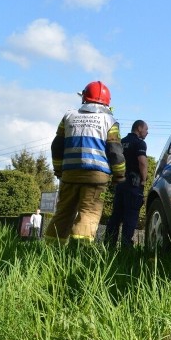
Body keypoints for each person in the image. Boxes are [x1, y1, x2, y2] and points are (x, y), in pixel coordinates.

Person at [45, 81, 126, 244]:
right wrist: (119, 175)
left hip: (69, 174)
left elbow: (57, 146)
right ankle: (79, 252)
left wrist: (58, 169)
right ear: (107, 101)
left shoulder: (68, 117)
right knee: (88, 212)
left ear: (84, 97)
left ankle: (51, 250)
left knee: (63, 212)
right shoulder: (110, 121)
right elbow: (115, 151)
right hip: (96, 178)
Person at [105, 119, 149, 249]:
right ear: (139, 128)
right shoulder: (140, 143)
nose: (147, 132)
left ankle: (109, 245)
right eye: (146, 129)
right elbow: (142, 162)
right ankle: (126, 248)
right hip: (133, 184)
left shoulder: (121, 142)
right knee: (131, 216)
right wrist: (144, 180)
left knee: (116, 216)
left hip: (120, 182)